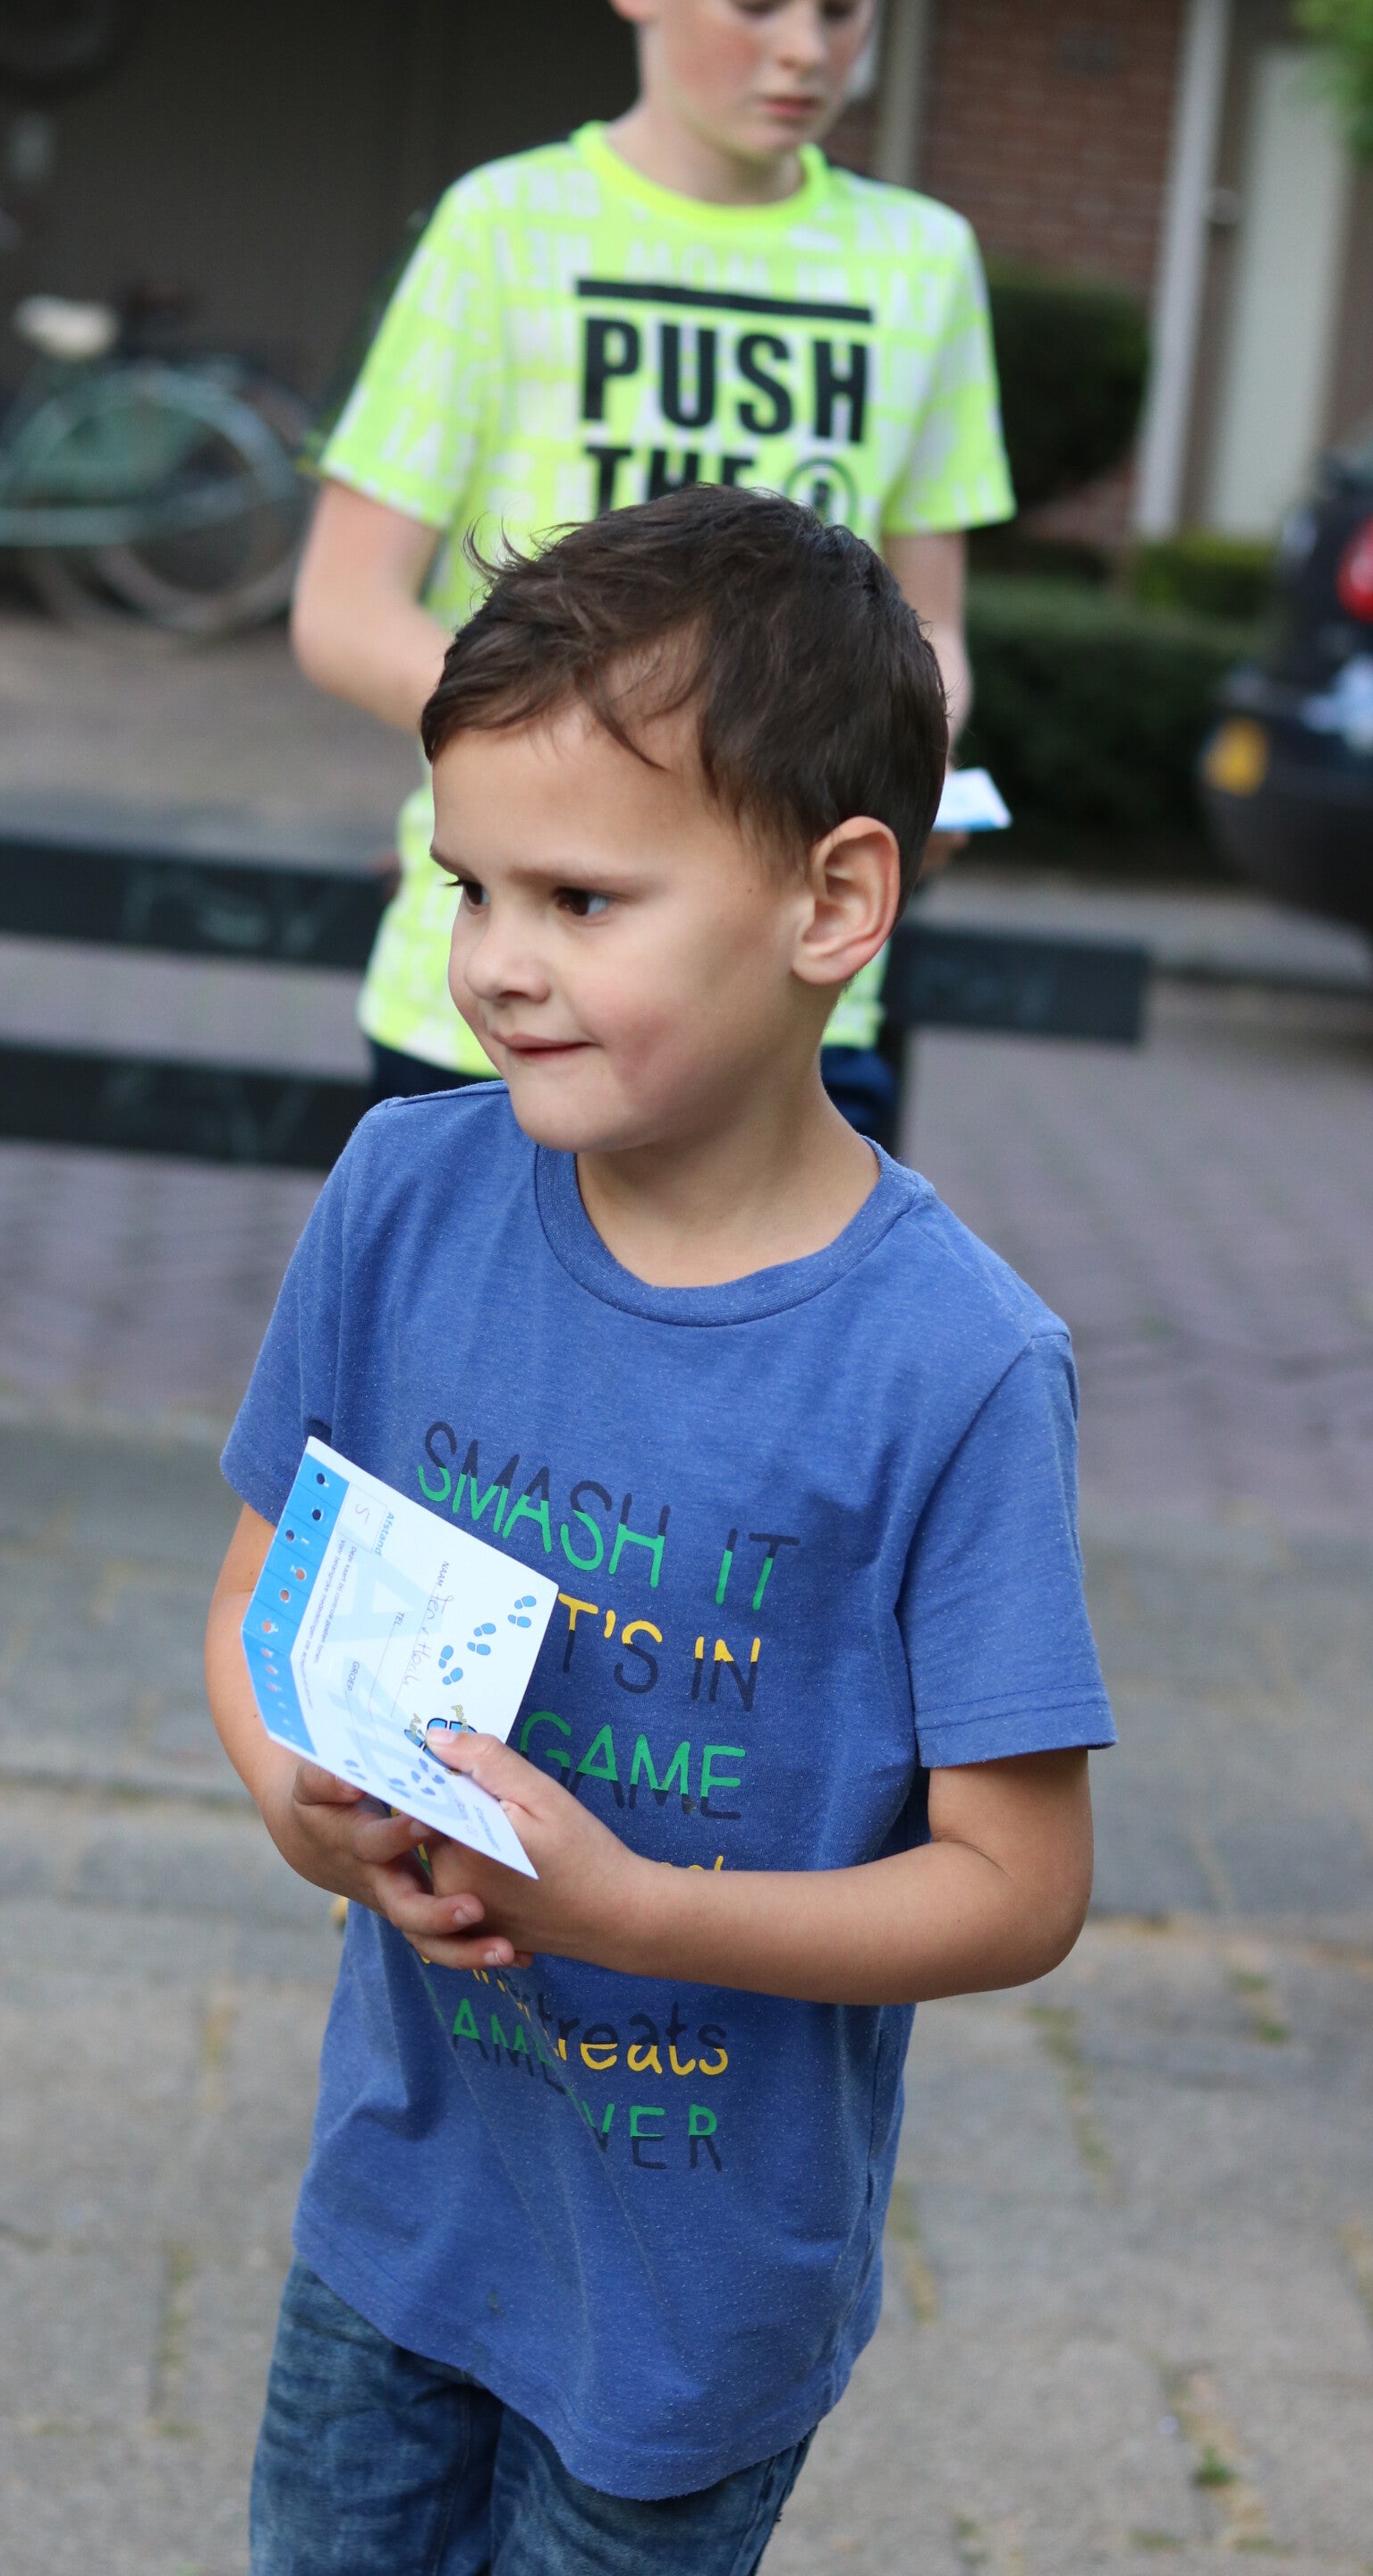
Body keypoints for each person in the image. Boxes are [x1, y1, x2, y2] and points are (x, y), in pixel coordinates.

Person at [207, 487, 1113, 2574]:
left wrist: (636, 1911)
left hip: (694, 2302)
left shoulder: (954, 1365)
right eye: (470, 888)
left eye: (584, 900)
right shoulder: (402, 1197)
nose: (499, 964)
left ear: (834, 900)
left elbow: (1019, 1886)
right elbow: (259, 1595)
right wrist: (296, 1802)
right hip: (397, 2212)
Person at [291, 0, 1014, 1143]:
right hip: (496, 1016)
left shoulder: (925, 260)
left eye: (842, 11)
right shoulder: (502, 226)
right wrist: (596, 770)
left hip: (801, 1001)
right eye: (760, 5)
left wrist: (912, 764)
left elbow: (933, 630)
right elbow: (343, 610)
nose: (805, 49)